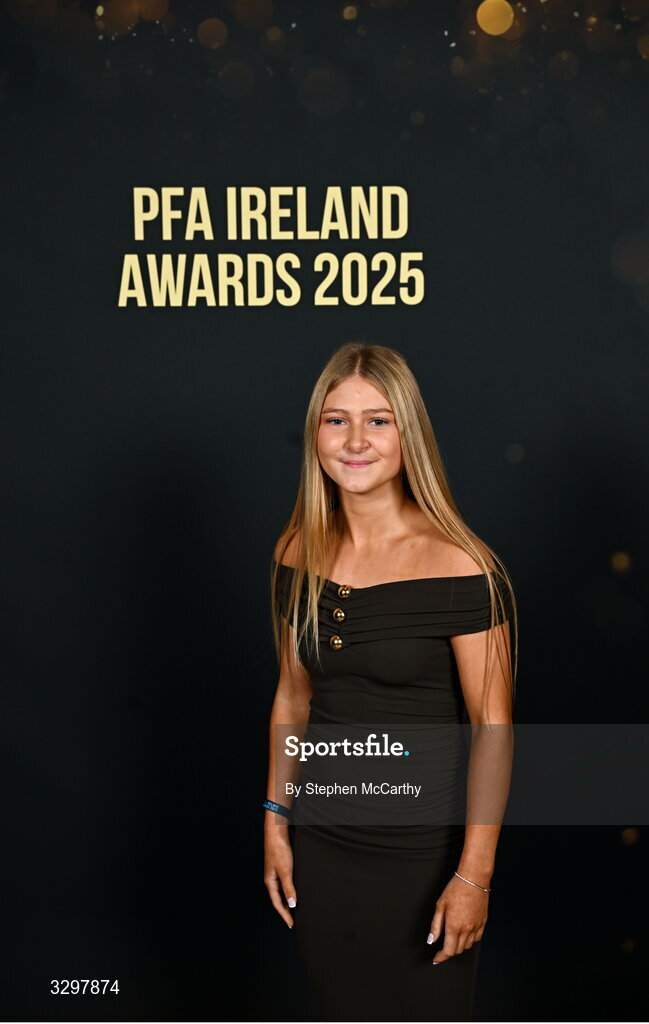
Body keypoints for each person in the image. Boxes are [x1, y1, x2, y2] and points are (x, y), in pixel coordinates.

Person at [264, 341, 517, 1022]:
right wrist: (275, 820)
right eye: (335, 419)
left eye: (377, 420)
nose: (353, 440)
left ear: (409, 434)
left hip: (423, 862)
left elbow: (491, 729)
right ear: (315, 432)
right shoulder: (297, 549)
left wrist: (474, 876)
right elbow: (293, 697)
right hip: (324, 849)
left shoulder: (460, 564)